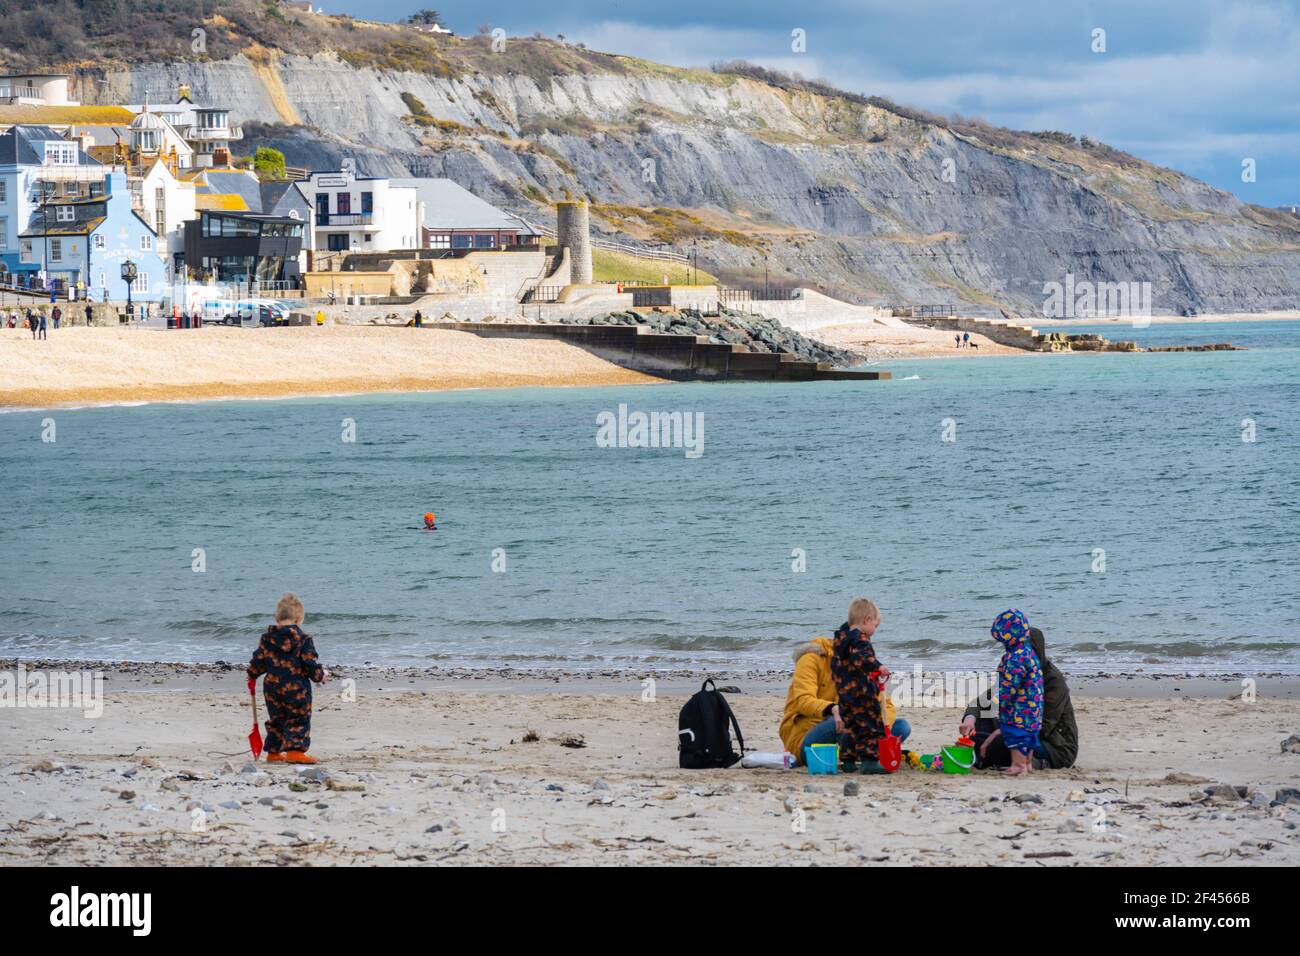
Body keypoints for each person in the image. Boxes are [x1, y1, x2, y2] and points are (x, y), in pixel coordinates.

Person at [779, 633, 908, 766]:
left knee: (901, 727)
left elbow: (885, 704)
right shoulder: (811, 659)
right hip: (809, 733)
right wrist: (832, 709)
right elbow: (803, 701)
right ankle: (856, 753)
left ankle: (858, 752)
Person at [961, 625, 1077, 769]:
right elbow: (982, 702)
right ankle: (990, 755)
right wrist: (969, 720)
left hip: (1053, 745)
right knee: (979, 727)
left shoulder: (1053, 681)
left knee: (1004, 740)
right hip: (1013, 731)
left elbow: (1043, 727)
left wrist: (1002, 732)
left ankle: (1034, 762)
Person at [247, 593, 328, 765]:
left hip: (272, 688)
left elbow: (257, 663)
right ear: (299, 618)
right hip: (296, 688)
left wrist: (252, 674)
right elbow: (309, 664)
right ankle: (295, 751)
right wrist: (321, 676)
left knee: (277, 718)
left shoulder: (267, 639)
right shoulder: (304, 639)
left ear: (277, 618)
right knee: (298, 717)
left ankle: (274, 752)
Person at [830, 597, 892, 774]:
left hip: (844, 693)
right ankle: (869, 761)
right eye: (875, 626)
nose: (874, 631)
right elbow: (863, 658)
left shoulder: (841, 640)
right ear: (867, 620)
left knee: (850, 727)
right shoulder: (860, 639)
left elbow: (839, 664)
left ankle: (848, 761)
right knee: (871, 724)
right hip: (861, 692)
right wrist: (878, 667)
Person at [980, 609, 1043, 776]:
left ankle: (1018, 765)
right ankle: (1027, 764)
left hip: (1018, 708)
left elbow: (1010, 683)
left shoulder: (1016, 657)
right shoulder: (1029, 653)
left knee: (1016, 736)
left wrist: (1000, 698)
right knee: (1029, 736)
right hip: (1034, 708)